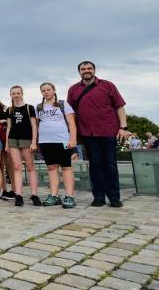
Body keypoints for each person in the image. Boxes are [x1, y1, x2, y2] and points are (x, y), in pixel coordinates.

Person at [67, 61, 129, 208]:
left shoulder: (108, 85)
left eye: (89, 68)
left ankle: (114, 198)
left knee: (110, 165)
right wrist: (73, 135)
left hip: (108, 131)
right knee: (94, 165)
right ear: (79, 72)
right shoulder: (73, 89)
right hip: (88, 133)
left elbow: (119, 107)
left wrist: (123, 127)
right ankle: (99, 197)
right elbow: (71, 113)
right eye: (83, 69)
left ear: (94, 70)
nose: (86, 71)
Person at [38, 82, 77, 209]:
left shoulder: (62, 104)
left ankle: (69, 196)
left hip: (62, 141)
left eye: (48, 89)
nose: (46, 92)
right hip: (45, 142)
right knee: (51, 168)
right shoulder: (38, 107)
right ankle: (54, 195)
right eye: (43, 90)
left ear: (54, 90)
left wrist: (73, 139)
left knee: (66, 167)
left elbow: (72, 123)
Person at [5, 86, 41, 207]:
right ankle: (18, 194)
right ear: (11, 95)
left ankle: (34, 194)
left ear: (22, 93)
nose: (16, 95)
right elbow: (9, 127)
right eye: (13, 93)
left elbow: (34, 125)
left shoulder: (29, 107)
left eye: (18, 93)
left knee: (30, 167)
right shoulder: (10, 109)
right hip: (13, 139)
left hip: (26, 139)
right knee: (17, 166)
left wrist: (34, 141)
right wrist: (6, 143)